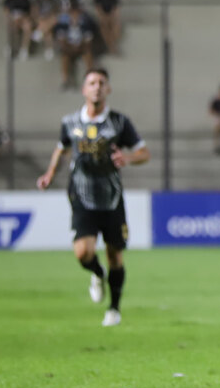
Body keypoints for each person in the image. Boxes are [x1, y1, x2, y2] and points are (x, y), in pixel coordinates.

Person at [36, 68, 150, 327]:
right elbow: (61, 148)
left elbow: (145, 153)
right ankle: (97, 275)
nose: (97, 87)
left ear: (108, 89)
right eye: (91, 83)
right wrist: (50, 173)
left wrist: (128, 158)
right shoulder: (71, 122)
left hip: (111, 198)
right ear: (83, 89)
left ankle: (114, 308)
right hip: (82, 195)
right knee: (83, 253)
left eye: (101, 83)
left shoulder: (120, 122)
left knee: (115, 256)